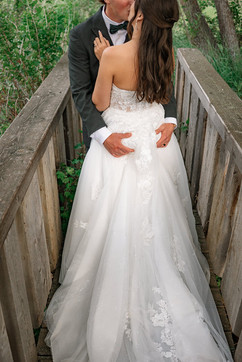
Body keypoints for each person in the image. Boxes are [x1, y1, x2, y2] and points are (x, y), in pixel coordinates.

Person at [45, 0, 233, 361]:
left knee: (117, 219)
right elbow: (154, 94)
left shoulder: (114, 56)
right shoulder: (162, 51)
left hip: (127, 145)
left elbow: (100, 101)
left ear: (140, 16)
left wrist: (107, 61)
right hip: (149, 147)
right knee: (155, 219)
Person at [68, 0, 177, 153]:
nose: (134, 2)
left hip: (153, 133)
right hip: (107, 132)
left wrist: (170, 120)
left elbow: (164, 80)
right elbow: (80, 91)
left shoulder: (151, 27)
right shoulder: (80, 35)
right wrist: (103, 136)